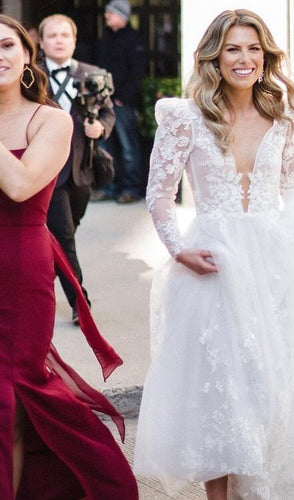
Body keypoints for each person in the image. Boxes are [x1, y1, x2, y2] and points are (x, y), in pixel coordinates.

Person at [134, 9, 294, 499]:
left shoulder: (283, 117)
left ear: (266, 57)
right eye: (232, 49)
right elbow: (158, 195)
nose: (244, 59)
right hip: (214, 262)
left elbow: (293, 187)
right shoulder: (184, 117)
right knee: (219, 390)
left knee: (278, 385)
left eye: (253, 49)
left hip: (276, 260)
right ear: (214, 57)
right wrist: (179, 250)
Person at [0, 14, 138, 499]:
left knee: (11, 395)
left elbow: (19, 186)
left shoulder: (52, 119)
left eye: (5, 46)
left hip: (19, 264)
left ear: (27, 55)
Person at [39, 14, 116, 325]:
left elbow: (109, 112)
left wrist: (101, 127)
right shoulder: (31, 75)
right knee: (64, 236)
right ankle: (79, 303)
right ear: (41, 42)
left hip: (81, 169)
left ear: (73, 40)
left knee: (63, 234)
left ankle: (45, 267)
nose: (59, 40)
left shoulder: (93, 74)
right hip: (46, 171)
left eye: (65, 35)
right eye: (52, 36)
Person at [92, 0, 146, 203]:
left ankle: (131, 189)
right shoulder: (105, 38)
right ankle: (109, 187)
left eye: (110, 13)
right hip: (104, 103)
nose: (106, 16)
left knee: (128, 148)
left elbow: (137, 71)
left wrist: (123, 98)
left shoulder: (134, 39)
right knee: (106, 148)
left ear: (121, 15)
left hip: (123, 104)